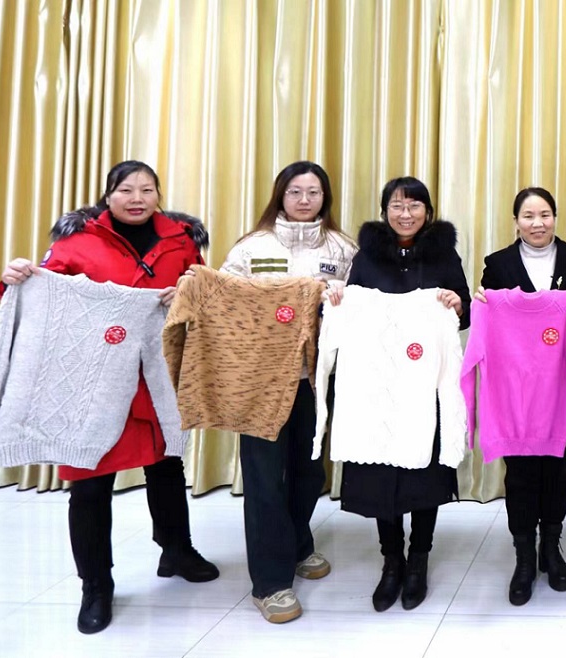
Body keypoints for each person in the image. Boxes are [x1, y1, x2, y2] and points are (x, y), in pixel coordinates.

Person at [0, 160, 219, 634]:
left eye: (147, 189)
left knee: (167, 467)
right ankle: (96, 585)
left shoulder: (180, 239)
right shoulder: (77, 241)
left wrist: (186, 292)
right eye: (126, 190)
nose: (137, 198)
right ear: (108, 195)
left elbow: (204, 290)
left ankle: (176, 550)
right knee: (90, 483)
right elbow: (44, 292)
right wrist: (16, 277)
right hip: (92, 380)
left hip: (156, 374)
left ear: (158, 195)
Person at [217, 161, 357, 623]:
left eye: (313, 192)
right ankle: (270, 583)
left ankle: (298, 544)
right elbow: (224, 300)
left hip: (315, 380)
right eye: (295, 191)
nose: (303, 200)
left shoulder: (342, 248)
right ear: (280, 194)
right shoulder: (252, 247)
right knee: (264, 479)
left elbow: (361, 305)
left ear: (325, 198)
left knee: (307, 471)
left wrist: (337, 294)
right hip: (260, 381)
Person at [341, 176, 471, 613]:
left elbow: (465, 309)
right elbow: (352, 310)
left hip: (423, 383)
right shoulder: (366, 256)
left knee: (424, 477)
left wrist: (456, 304)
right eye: (396, 205)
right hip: (378, 386)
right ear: (384, 211)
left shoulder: (444, 254)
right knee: (382, 474)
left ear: (427, 212)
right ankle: (391, 560)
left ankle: (419, 559)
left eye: (414, 206)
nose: (405, 213)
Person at [473, 187, 566, 605]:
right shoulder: (498, 264)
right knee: (521, 474)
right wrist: (481, 302)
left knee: (556, 470)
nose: (537, 223)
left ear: (555, 217)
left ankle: (551, 548)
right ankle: (524, 555)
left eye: (545, 214)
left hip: (561, 388)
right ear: (516, 222)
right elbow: (488, 322)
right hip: (515, 394)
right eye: (528, 216)